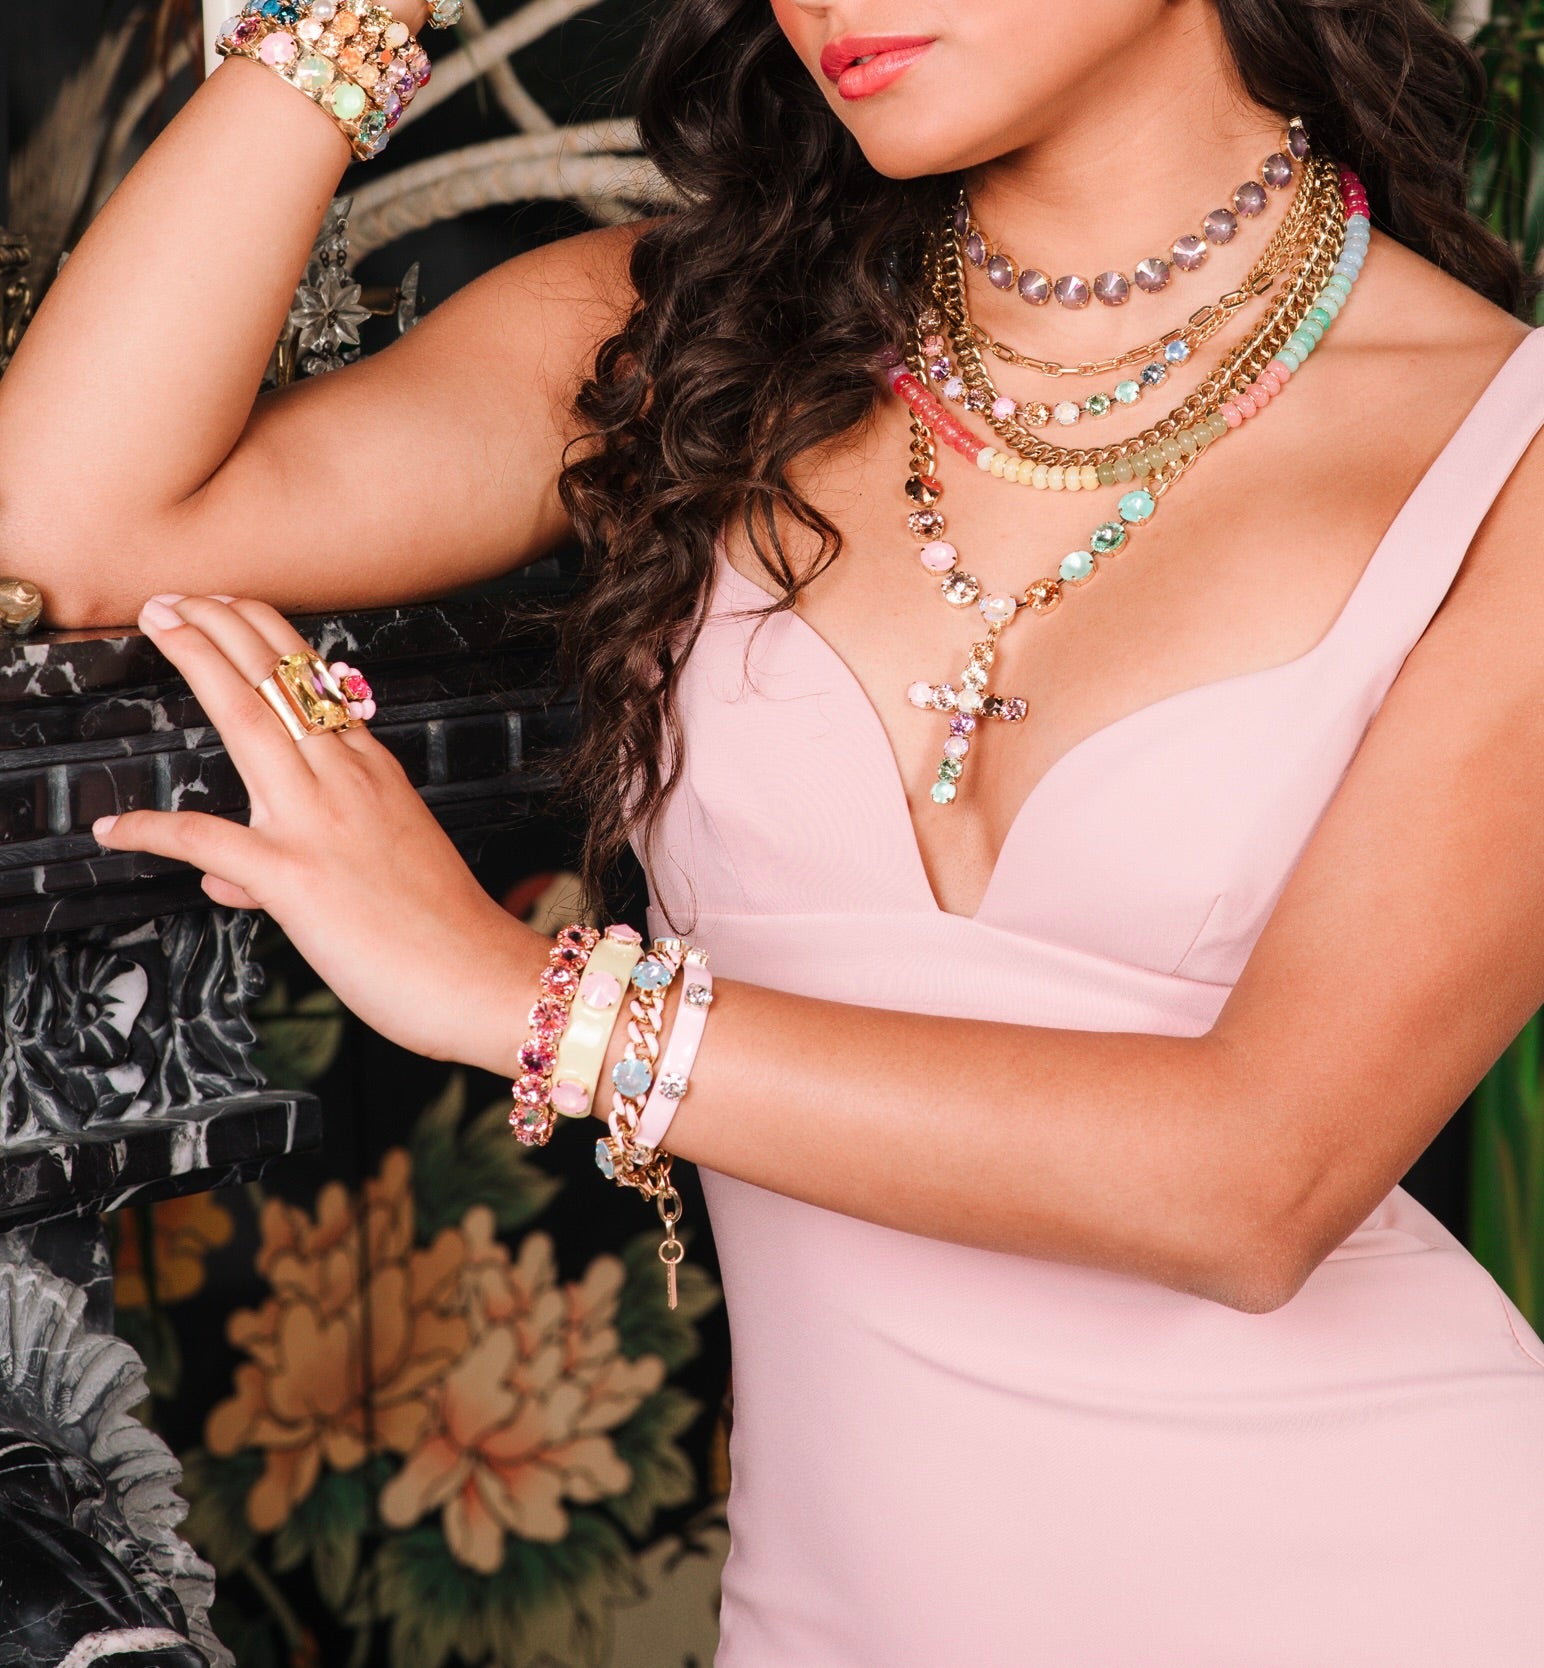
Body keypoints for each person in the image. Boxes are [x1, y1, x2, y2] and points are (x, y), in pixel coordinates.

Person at [3, 0, 1544, 1660]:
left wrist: (529, 1002)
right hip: (840, 1612)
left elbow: (1257, 1183)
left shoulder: (1503, 453)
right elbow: (68, 529)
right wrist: (352, 19)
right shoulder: (691, 338)